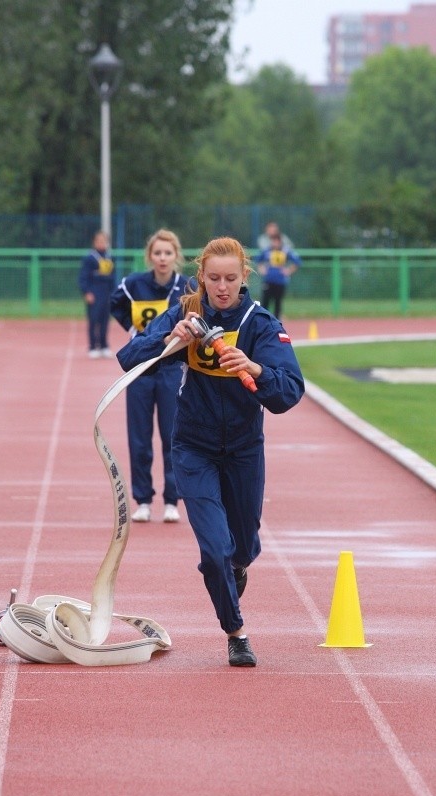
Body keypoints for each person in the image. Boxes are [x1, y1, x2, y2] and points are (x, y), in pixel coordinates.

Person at [116, 237, 305, 667]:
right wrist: (170, 338)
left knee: (241, 547)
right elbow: (129, 357)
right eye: (214, 278)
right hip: (193, 447)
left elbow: (290, 390)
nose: (222, 287)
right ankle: (236, 632)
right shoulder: (187, 312)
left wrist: (254, 367)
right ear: (201, 276)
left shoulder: (260, 323)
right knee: (215, 549)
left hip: (243, 450)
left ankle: (237, 568)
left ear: (244, 278)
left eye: (231, 279)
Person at [110, 229, 189, 524]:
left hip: (171, 368)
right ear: (150, 256)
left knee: (172, 435)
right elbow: (115, 303)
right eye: (157, 253)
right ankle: (142, 499)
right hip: (142, 369)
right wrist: (133, 331)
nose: (163, 258)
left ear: (176, 255)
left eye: (168, 253)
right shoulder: (133, 284)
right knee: (139, 437)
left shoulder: (186, 287)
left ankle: (172, 499)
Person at [78, 230, 116, 358]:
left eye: (104, 241)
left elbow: (112, 277)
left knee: (105, 320)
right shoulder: (90, 258)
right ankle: (93, 346)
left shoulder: (109, 257)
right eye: (99, 241)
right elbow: (83, 277)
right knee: (94, 320)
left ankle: (104, 345)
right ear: (94, 242)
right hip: (94, 292)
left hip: (107, 292)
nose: (102, 243)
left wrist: (113, 293)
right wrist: (87, 292)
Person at [256, 230, 302, 321]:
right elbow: (258, 260)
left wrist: (288, 270)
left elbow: (297, 262)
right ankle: (263, 322)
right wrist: (262, 269)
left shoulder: (286, 251)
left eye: (277, 241)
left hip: (280, 281)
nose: (275, 243)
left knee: (278, 304)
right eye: (273, 240)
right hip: (268, 280)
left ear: (280, 241)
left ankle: (276, 323)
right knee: (265, 303)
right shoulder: (267, 251)